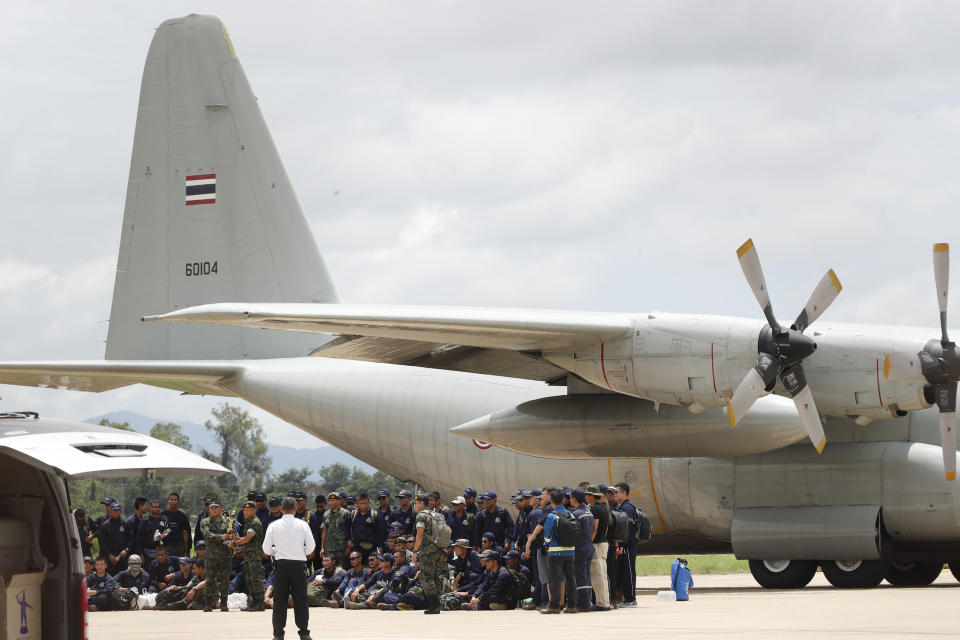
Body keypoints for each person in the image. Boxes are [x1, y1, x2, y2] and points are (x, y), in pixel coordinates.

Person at [262, 496, 315, 640]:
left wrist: (276, 552)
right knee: (301, 600)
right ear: (295, 509)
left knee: (279, 601)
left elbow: (266, 549)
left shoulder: (273, 525)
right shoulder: (303, 525)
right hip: (298, 566)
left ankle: (278, 635)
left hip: (281, 566)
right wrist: (300, 552)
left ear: (281, 509)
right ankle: (304, 633)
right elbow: (311, 547)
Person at [541, 488, 576, 614]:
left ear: (550, 500)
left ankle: (554, 606)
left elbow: (547, 534)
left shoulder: (552, 515)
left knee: (555, 579)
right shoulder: (570, 514)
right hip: (570, 551)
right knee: (570, 579)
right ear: (563, 500)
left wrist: (546, 545)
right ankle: (571, 605)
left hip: (555, 552)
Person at [199, 499, 237, 612]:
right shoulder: (205, 521)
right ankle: (208, 603)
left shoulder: (229, 521)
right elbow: (207, 534)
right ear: (209, 509)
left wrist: (233, 541)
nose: (214, 510)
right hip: (211, 555)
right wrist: (222, 537)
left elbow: (234, 534)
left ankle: (224, 603)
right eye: (212, 508)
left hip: (226, 555)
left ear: (221, 508)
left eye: (216, 508)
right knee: (210, 579)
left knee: (225, 579)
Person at [412, 494, 444, 614]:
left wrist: (415, 551)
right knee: (435, 576)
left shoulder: (421, 516)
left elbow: (419, 534)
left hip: (428, 551)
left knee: (426, 577)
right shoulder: (437, 514)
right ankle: (437, 603)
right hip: (440, 550)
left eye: (416, 503)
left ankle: (435, 604)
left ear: (421, 503)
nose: (414, 505)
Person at [234, 500, 266, 611]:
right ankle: (253, 602)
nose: (246, 512)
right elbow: (247, 540)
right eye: (244, 510)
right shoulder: (248, 521)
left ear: (254, 510)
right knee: (249, 579)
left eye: (248, 510)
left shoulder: (254, 522)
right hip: (248, 555)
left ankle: (260, 603)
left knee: (256, 579)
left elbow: (248, 538)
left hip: (254, 556)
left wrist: (235, 542)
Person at [585, 485, 611, 611]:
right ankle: (605, 601)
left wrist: (588, 543)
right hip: (604, 543)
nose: (586, 497)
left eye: (587, 495)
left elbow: (594, 529)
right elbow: (605, 529)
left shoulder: (594, 509)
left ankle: (602, 603)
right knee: (603, 574)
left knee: (596, 575)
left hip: (596, 544)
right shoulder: (604, 508)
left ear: (591, 496)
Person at [614, 482, 639, 608]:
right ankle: (628, 597)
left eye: (616, 492)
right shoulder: (622, 507)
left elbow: (627, 530)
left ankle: (631, 599)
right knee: (625, 572)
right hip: (626, 546)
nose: (615, 494)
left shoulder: (627, 508)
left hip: (628, 546)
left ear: (624, 493)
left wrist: (622, 544)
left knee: (628, 572)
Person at [570, 488, 595, 611]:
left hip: (580, 547)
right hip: (589, 546)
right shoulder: (589, 512)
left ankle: (583, 604)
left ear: (574, 499)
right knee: (586, 575)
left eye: (571, 497)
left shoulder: (576, 514)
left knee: (580, 575)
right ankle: (588, 602)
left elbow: (574, 533)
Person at [97, 502, 131, 575]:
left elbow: (131, 539)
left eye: (118, 510)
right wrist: (109, 555)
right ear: (110, 511)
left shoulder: (125, 524)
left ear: (121, 511)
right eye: (114, 510)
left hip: (122, 557)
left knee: (123, 577)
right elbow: (102, 543)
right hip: (109, 558)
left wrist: (126, 550)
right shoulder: (105, 525)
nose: (116, 512)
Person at [349, 493, 382, 563]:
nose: (363, 505)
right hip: (357, 546)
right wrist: (349, 540)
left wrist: (379, 546)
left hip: (371, 547)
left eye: (365, 503)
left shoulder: (374, 515)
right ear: (357, 504)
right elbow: (347, 527)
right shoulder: (353, 514)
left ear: (369, 503)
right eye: (361, 503)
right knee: (357, 565)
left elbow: (379, 531)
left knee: (370, 566)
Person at [320, 492, 351, 567]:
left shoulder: (346, 513)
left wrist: (349, 546)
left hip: (342, 548)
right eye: (329, 500)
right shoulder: (326, 514)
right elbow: (324, 531)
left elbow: (350, 530)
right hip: (329, 548)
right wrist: (322, 548)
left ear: (339, 501)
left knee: (342, 569)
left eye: (333, 500)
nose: (331, 502)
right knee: (329, 568)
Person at [162, 493, 191, 557]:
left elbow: (186, 533)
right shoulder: (162, 515)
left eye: (175, 500)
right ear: (168, 501)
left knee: (181, 566)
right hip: (167, 547)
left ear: (178, 502)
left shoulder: (183, 516)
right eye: (171, 499)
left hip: (180, 548)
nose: (172, 501)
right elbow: (158, 533)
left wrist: (187, 550)